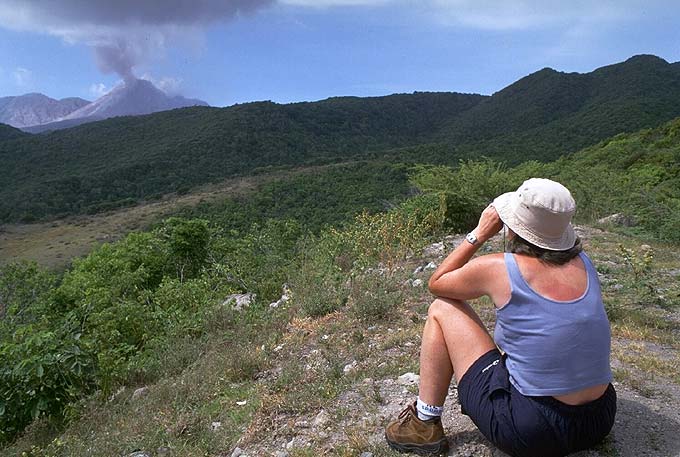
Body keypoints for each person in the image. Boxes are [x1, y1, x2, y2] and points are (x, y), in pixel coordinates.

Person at [384, 178, 616, 457]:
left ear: (514, 226)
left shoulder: (500, 268)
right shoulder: (584, 264)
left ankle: (423, 423)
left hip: (533, 430)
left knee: (441, 308)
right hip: (599, 418)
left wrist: (478, 234)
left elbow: (438, 282)